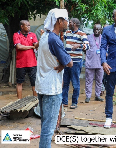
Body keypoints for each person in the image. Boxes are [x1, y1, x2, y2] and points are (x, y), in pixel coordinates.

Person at [35, 8, 73, 148]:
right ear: (59, 21)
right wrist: (63, 64)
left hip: (42, 85)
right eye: (66, 20)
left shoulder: (44, 36)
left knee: (45, 124)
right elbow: (69, 62)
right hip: (52, 89)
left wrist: (61, 64)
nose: (68, 23)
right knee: (48, 129)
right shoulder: (54, 40)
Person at [62, 18, 89, 109]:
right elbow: (62, 40)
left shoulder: (82, 34)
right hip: (66, 61)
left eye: (70, 22)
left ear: (74, 24)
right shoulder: (67, 32)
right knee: (65, 82)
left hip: (76, 62)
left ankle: (74, 102)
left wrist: (79, 45)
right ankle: (64, 102)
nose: (68, 23)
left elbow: (87, 46)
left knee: (75, 83)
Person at [13, 20, 39, 99]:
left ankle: (35, 101)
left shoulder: (33, 35)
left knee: (34, 83)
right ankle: (19, 101)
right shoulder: (16, 35)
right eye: (27, 25)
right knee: (19, 82)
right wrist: (31, 47)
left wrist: (41, 39)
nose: (29, 27)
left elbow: (36, 45)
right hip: (21, 63)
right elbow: (19, 47)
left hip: (32, 63)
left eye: (29, 25)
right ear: (22, 26)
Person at [84, 24, 104, 103]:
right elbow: (84, 49)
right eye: (95, 29)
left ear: (101, 30)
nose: (97, 31)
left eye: (98, 29)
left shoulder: (103, 38)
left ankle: (97, 95)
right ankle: (88, 96)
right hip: (90, 63)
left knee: (99, 80)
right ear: (93, 30)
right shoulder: (88, 38)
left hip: (100, 63)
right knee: (89, 80)